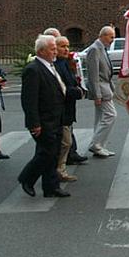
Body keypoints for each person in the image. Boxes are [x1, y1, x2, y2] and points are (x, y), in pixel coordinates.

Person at [18, 35, 69, 198]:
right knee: (46, 153)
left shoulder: (50, 66)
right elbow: (29, 100)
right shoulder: (33, 70)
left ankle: (51, 187)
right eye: (52, 49)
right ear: (41, 51)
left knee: (53, 154)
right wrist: (34, 123)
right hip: (43, 120)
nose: (55, 52)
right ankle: (27, 178)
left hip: (56, 118)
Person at [54, 36, 85, 182]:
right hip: (61, 109)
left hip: (68, 108)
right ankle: (58, 170)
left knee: (65, 141)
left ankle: (60, 169)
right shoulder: (57, 66)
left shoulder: (65, 63)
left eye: (67, 46)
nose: (66, 49)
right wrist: (78, 92)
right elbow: (62, 89)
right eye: (62, 46)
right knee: (65, 142)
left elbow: (71, 81)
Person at [86, 26, 117, 158]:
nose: (112, 40)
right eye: (111, 37)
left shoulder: (101, 48)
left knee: (100, 118)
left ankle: (99, 145)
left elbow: (107, 72)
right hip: (101, 90)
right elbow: (93, 75)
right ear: (103, 35)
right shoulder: (95, 49)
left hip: (105, 88)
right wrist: (97, 94)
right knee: (111, 115)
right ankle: (96, 144)